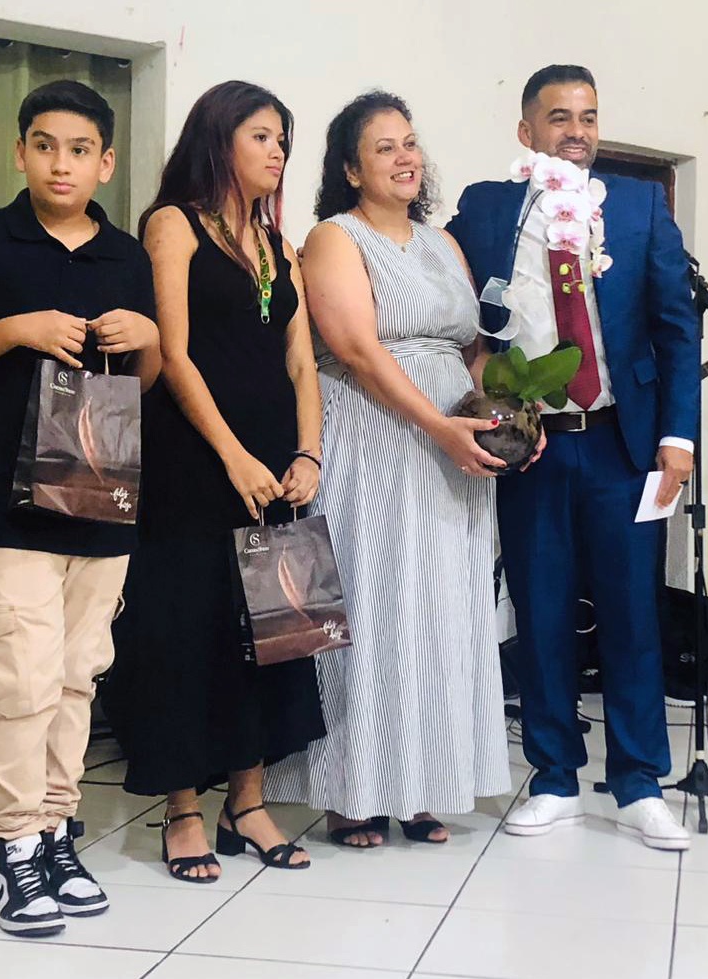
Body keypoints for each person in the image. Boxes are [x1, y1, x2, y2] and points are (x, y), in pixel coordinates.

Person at [0, 79, 161, 935]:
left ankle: (56, 829)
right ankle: (14, 844)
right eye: (46, 145)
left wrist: (151, 341)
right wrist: (17, 329)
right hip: (4, 494)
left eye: (80, 150)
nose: (63, 163)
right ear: (20, 151)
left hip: (101, 490)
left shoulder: (126, 256)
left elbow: (144, 383)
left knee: (77, 671)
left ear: (106, 162)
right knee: (21, 671)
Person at [447, 65, 699, 849]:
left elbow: (676, 329)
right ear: (527, 131)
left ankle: (638, 782)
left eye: (588, 116)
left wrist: (678, 437)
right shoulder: (487, 209)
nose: (577, 131)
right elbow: (444, 291)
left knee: (633, 615)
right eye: (559, 117)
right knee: (542, 610)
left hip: (623, 442)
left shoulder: (640, 206)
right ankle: (554, 774)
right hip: (534, 446)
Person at [266, 92, 511, 847]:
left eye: (410, 143)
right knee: (371, 604)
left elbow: (472, 346)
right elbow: (358, 349)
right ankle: (353, 792)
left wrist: (499, 418)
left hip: (451, 443)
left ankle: (421, 784)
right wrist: (437, 424)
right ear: (350, 169)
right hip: (375, 436)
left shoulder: (444, 244)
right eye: (384, 148)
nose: (406, 158)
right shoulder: (335, 237)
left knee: (439, 607)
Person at [104, 81, 325, 881]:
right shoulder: (174, 223)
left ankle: (248, 800)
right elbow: (174, 353)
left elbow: (302, 364)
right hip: (194, 459)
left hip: (277, 463)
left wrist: (308, 455)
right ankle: (185, 809)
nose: (277, 151)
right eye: (261, 135)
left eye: (282, 139)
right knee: (186, 629)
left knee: (273, 633)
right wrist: (232, 455)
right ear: (218, 138)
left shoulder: (281, 245)